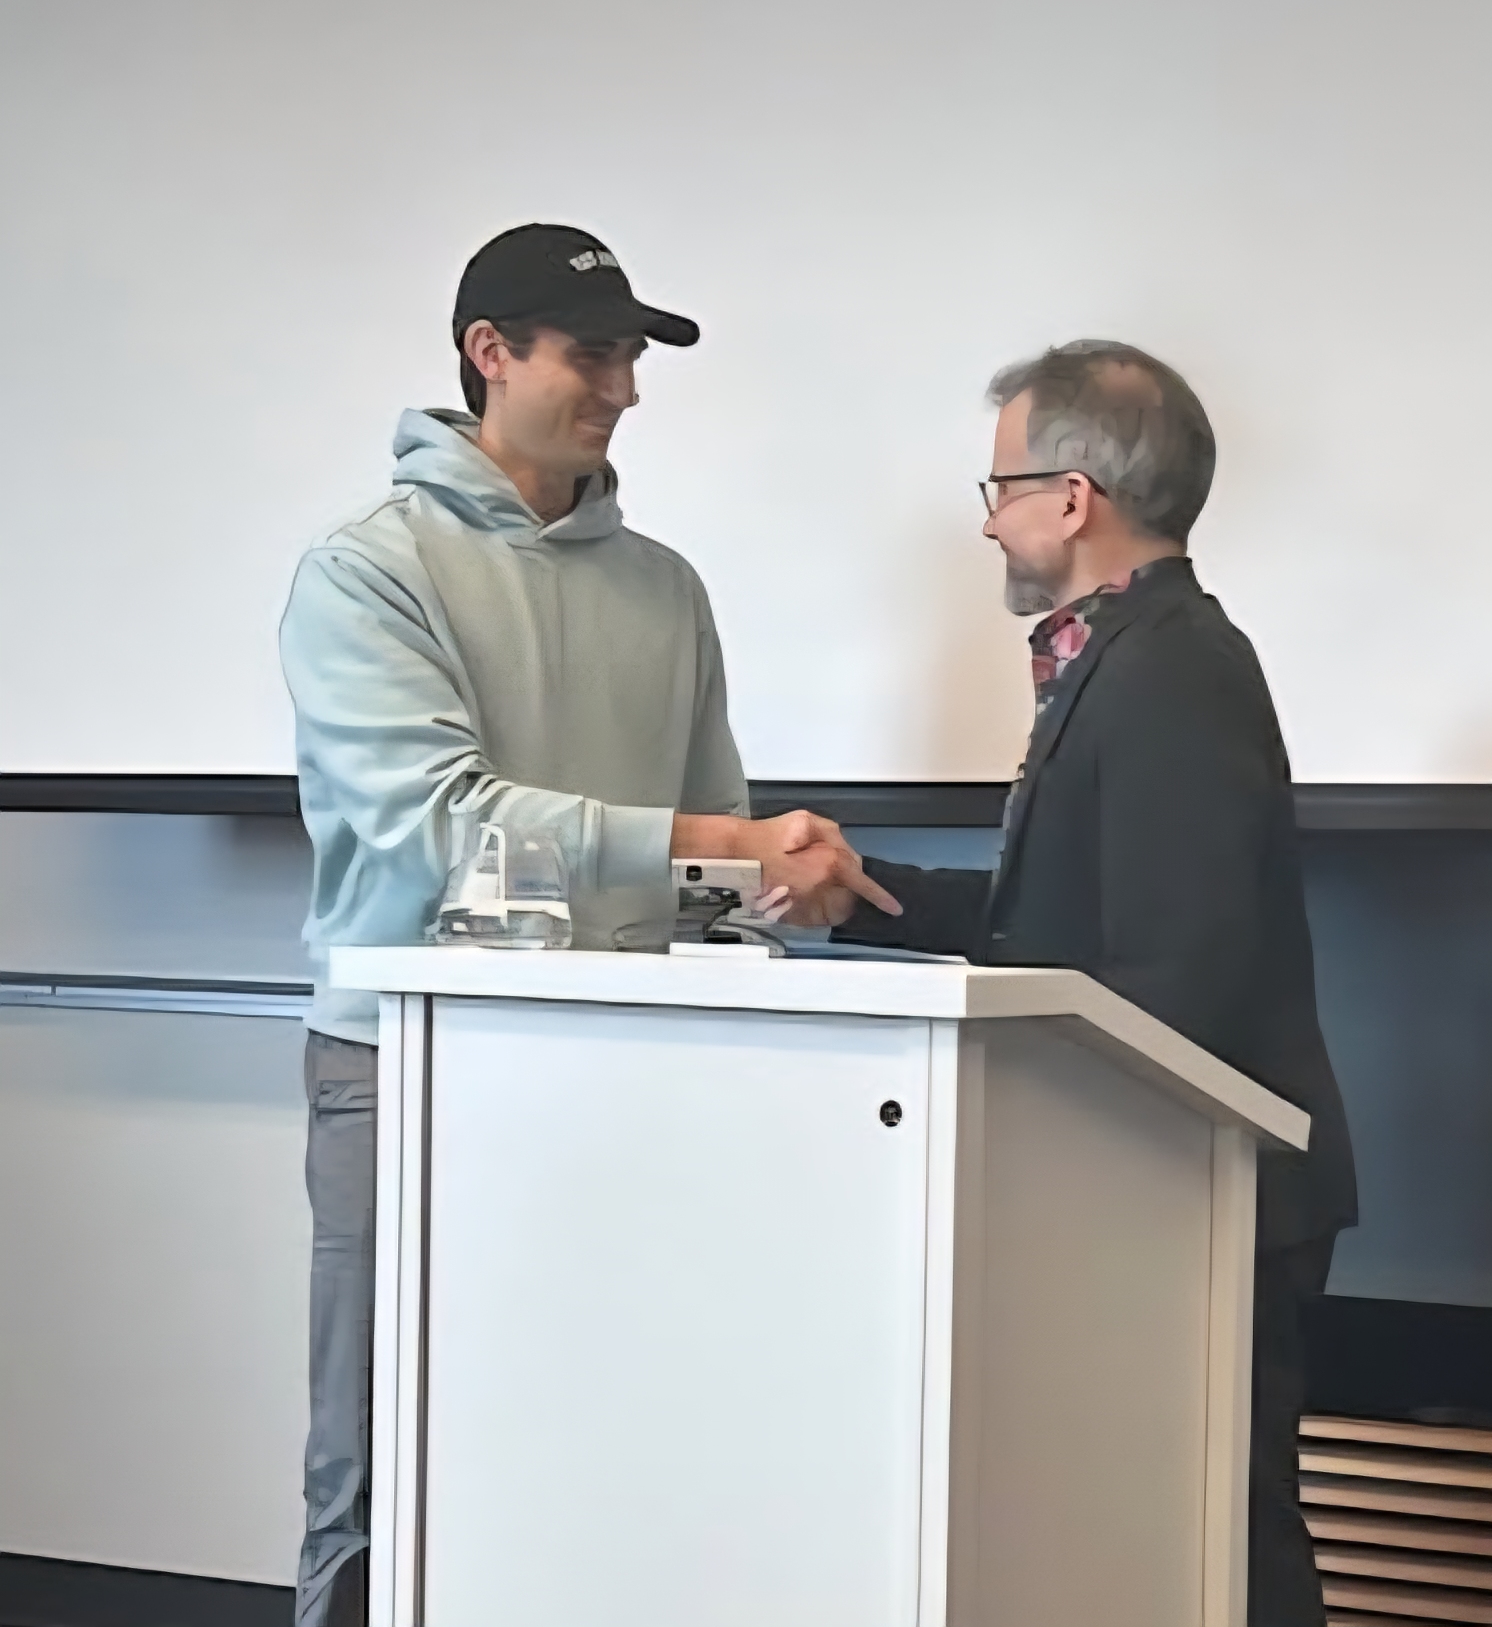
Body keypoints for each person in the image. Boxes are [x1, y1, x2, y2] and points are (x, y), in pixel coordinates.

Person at [278, 222, 893, 1627]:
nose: (621, 387)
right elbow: (444, 830)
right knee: (381, 1469)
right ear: (489, 355)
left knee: (597, 1449)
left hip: (635, 1066)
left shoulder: (664, 588)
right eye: (591, 353)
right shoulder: (366, 571)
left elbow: (708, 883)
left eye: (630, 355)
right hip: (408, 1072)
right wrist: (732, 843)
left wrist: (784, 885)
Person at [824, 340, 1357, 1627]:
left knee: (1229, 1538)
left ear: (1072, 499)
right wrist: (857, 892)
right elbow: (1053, 922)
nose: (989, 523)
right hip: (1161, 1188)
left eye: (998, 489)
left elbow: (1177, 980)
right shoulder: (1125, 650)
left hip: (1200, 1192)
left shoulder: (1174, 665)